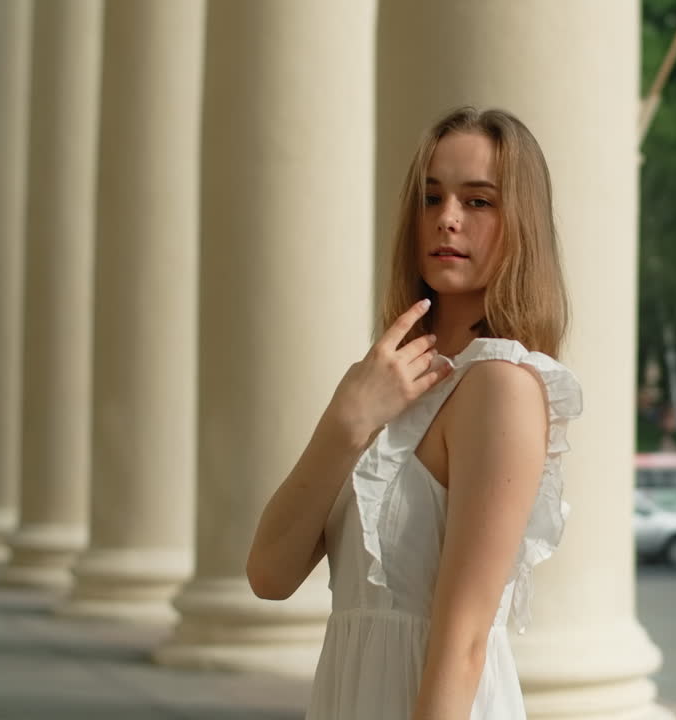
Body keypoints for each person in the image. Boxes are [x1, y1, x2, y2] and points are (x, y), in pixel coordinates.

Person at [245, 107, 583, 720]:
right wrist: (346, 421)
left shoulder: (501, 386)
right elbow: (269, 573)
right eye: (431, 197)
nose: (446, 218)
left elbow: (464, 643)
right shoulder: (386, 384)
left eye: (478, 202)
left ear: (520, 224)